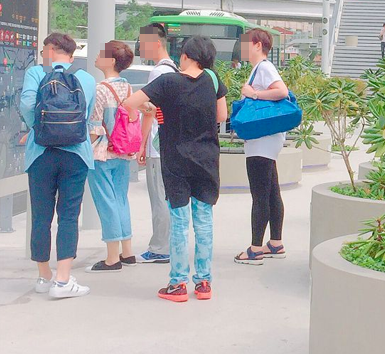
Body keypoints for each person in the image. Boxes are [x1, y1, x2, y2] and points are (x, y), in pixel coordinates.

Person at [123, 36, 227, 302]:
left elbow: (129, 104)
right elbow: (221, 116)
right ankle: (204, 283)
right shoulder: (213, 80)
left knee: (180, 223)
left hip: (176, 160)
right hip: (206, 160)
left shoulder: (168, 82)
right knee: (204, 221)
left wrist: (153, 107)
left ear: (185, 55)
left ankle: (177, 285)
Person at [19, 32, 97, 298]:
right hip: (76, 153)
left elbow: (27, 104)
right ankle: (63, 281)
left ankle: (44, 276)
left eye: (44, 51)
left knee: (41, 215)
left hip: (40, 153)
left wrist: (37, 128)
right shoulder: (86, 79)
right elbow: (87, 115)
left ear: (50, 50)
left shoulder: (35, 74)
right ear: (71, 55)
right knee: (68, 215)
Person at [234, 28, 289, 266]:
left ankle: (255, 248)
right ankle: (275, 242)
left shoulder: (265, 67)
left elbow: (281, 91)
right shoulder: (260, 68)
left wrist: (253, 94)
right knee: (271, 191)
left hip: (262, 140)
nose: (243, 48)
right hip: (268, 137)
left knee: (260, 194)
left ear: (257, 45)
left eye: (246, 43)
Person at [85, 41, 137, 273]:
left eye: (101, 53)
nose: (96, 56)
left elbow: (95, 126)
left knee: (106, 201)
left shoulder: (100, 89)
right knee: (120, 199)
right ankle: (127, 251)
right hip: (123, 151)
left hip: (102, 152)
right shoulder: (128, 87)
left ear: (111, 61)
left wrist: (86, 150)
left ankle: (111, 257)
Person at [135, 23, 178, 264]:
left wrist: (141, 144)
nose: (141, 47)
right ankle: (167, 244)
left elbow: (150, 111)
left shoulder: (158, 73)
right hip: (169, 141)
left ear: (156, 43)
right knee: (167, 196)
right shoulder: (174, 69)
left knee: (159, 196)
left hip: (157, 143)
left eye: (143, 43)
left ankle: (160, 247)